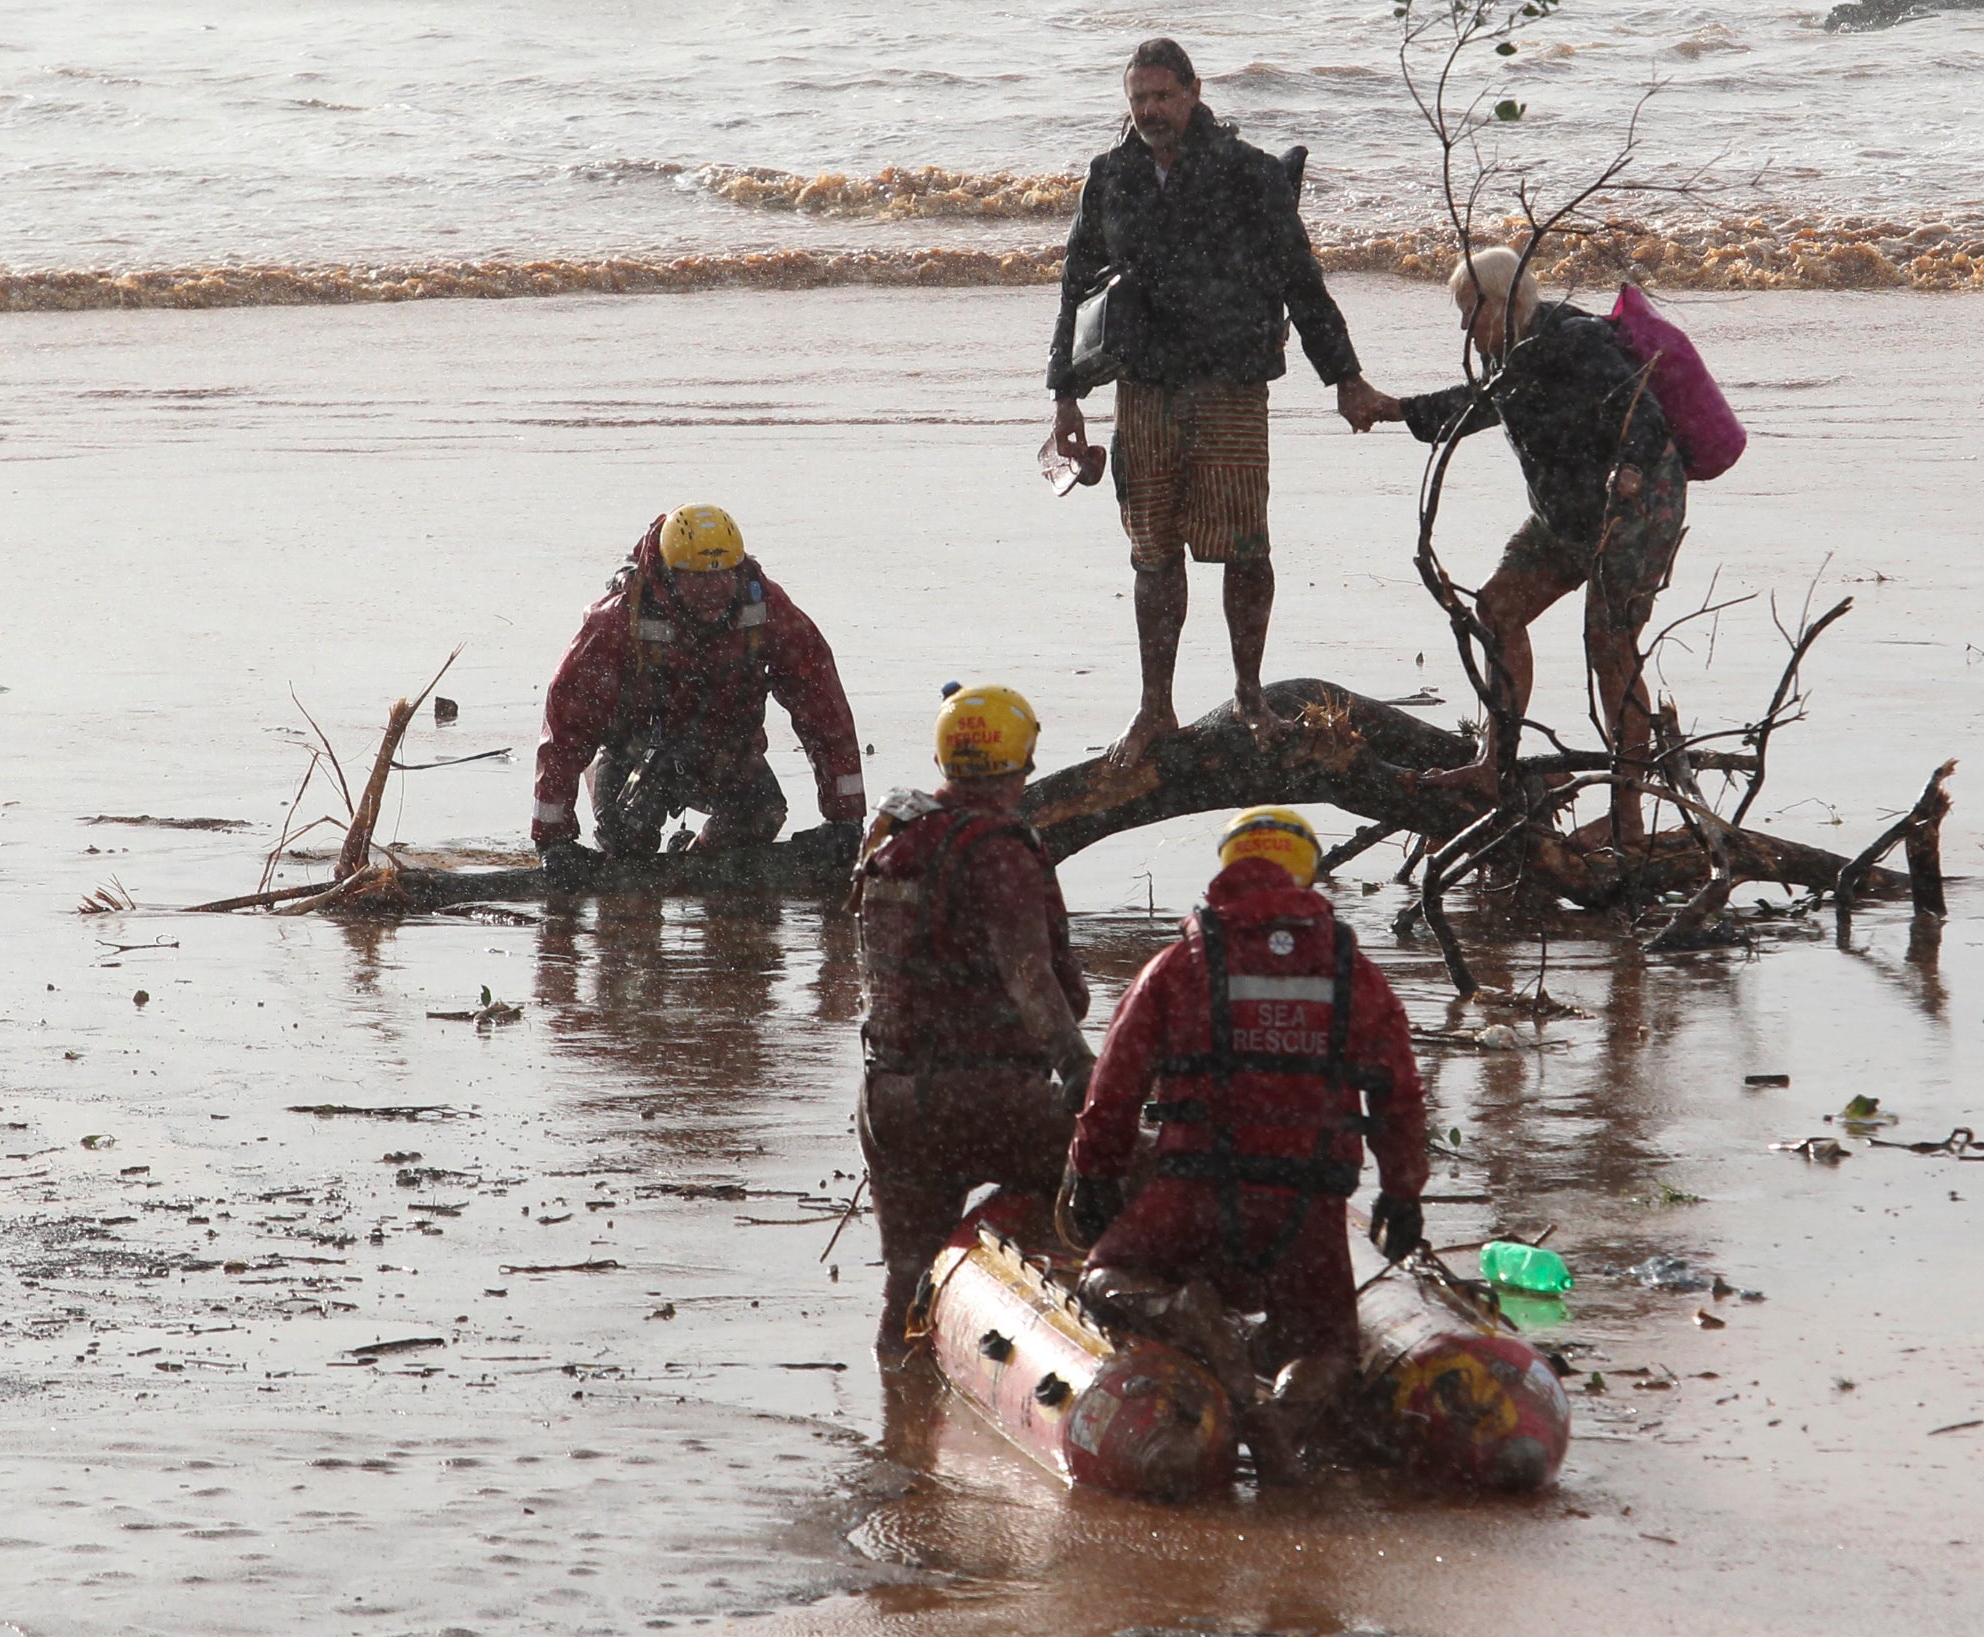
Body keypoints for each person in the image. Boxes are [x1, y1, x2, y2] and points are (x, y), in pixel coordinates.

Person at [1046, 38, 1400, 762]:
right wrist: (1066, 395)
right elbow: (1077, 286)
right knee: (1152, 554)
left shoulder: (1249, 174)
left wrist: (1345, 378)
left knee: (1245, 547)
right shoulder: (1110, 176)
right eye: (1138, 97)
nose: (1149, 110)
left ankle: (1249, 695)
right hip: (1143, 389)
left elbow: (1303, 282)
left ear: (1194, 91)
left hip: (1230, 385)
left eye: (1162, 96)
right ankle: (1155, 710)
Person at [1059, 806, 1428, 1479]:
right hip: (1305, 1211)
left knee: (1104, 1279)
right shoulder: (1358, 974)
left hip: (1193, 1196)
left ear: (1227, 870)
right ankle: (1281, 1426)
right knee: (1329, 1351)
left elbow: (1113, 1084)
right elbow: (1399, 1097)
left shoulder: (1180, 963)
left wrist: (1095, 1172)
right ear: (1309, 873)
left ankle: (1181, 1313)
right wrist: (1403, 1195)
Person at [1395, 247, 1686, 850]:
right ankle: (1494, 765)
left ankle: (1627, 819)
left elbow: (1649, 415)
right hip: (1565, 519)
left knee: (1609, 647)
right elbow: (1471, 408)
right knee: (1498, 607)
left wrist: (1629, 468)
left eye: (1469, 312)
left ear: (1505, 304)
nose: (1463, 328)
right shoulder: (1513, 358)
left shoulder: (1578, 341)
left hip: (1633, 513)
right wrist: (1395, 410)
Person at [849, 683, 1092, 1354]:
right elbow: (1029, 977)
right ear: (1024, 765)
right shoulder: (999, 851)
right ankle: (1119, 1352)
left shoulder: (894, 838)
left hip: (890, 1101)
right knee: (1131, 1170)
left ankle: (901, 1420)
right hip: (987, 1096)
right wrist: (1081, 1074)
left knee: (905, 1281)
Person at [530, 504, 866, 878]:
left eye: (722, 577)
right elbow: (566, 729)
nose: (711, 590)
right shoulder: (621, 619)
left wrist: (845, 819)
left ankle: (697, 864)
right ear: (671, 575)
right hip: (635, 755)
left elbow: (825, 714)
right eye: (696, 579)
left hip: (723, 751)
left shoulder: (768, 612)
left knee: (759, 816)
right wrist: (553, 840)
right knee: (627, 841)